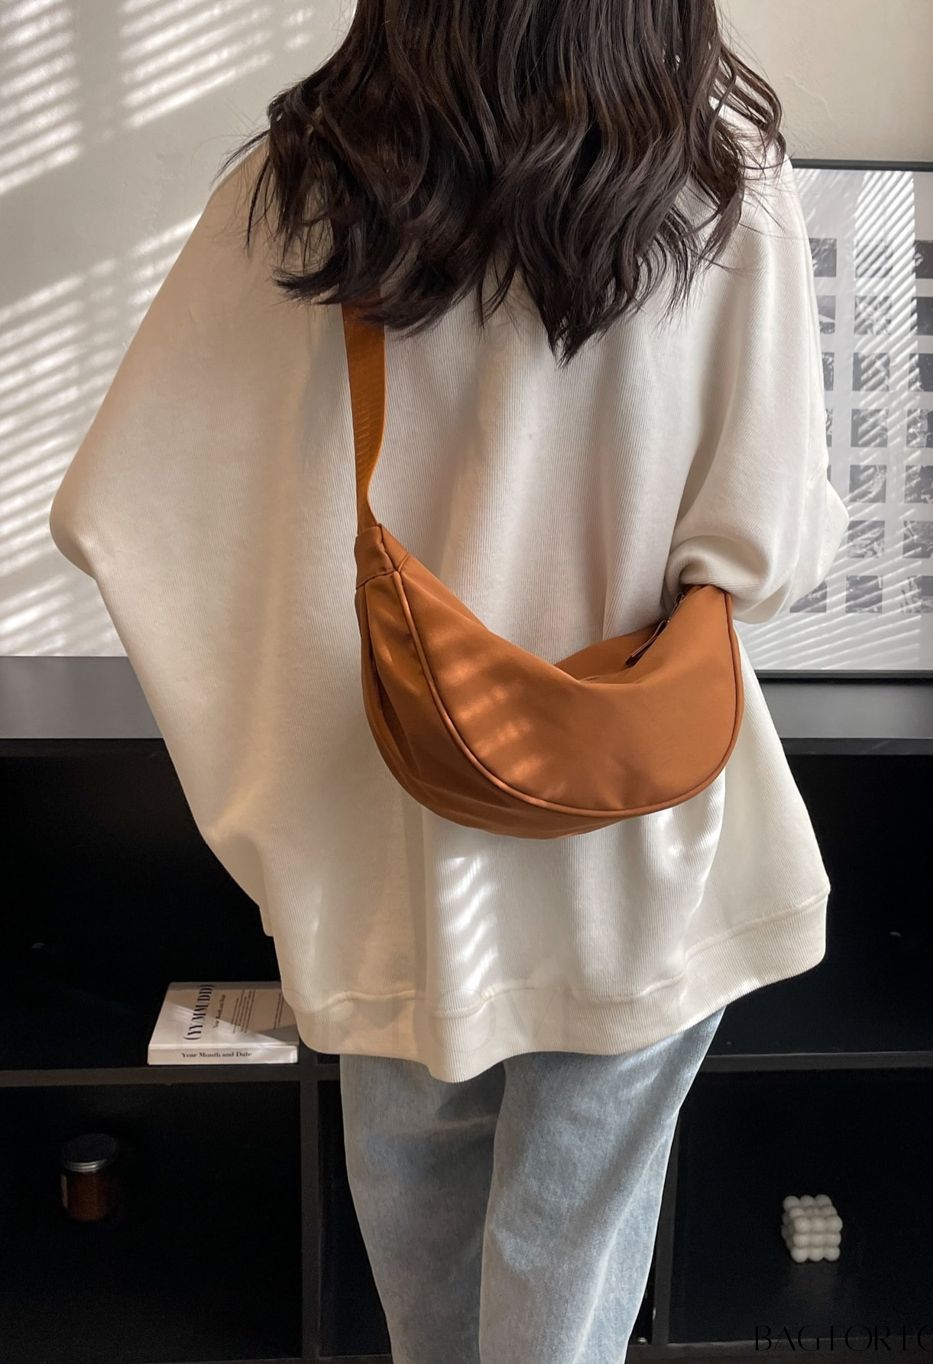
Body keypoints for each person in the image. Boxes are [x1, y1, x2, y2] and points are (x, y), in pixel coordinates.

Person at [48, 2, 850, 1360]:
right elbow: (762, 548)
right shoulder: (716, 172)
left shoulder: (312, 180)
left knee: (421, 1255)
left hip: (390, 835)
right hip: (634, 832)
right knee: (567, 1259)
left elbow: (117, 511)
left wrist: (268, 771)